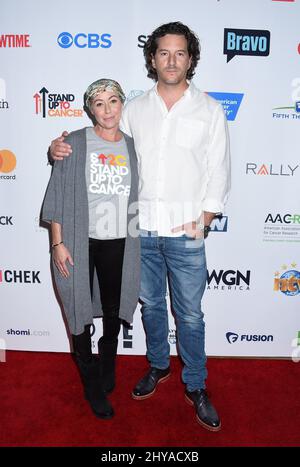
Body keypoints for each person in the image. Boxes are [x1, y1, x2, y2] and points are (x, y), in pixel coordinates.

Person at [49, 22, 230, 432]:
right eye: (163, 52)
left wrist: (202, 221)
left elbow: (219, 172)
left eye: (180, 53)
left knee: (190, 315)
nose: (171, 60)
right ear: (152, 58)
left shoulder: (210, 110)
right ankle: (157, 366)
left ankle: (196, 385)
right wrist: (58, 147)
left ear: (190, 59)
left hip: (186, 234)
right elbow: (105, 144)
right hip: (139, 231)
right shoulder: (133, 108)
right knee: (149, 307)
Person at [41, 78, 140, 420]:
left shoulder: (132, 147)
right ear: (89, 109)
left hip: (120, 242)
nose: (107, 109)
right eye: (99, 103)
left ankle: (108, 359)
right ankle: (90, 382)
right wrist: (58, 243)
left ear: (122, 104)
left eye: (113, 101)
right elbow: (57, 193)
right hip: (80, 243)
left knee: (112, 309)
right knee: (78, 308)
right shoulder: (75, 143)